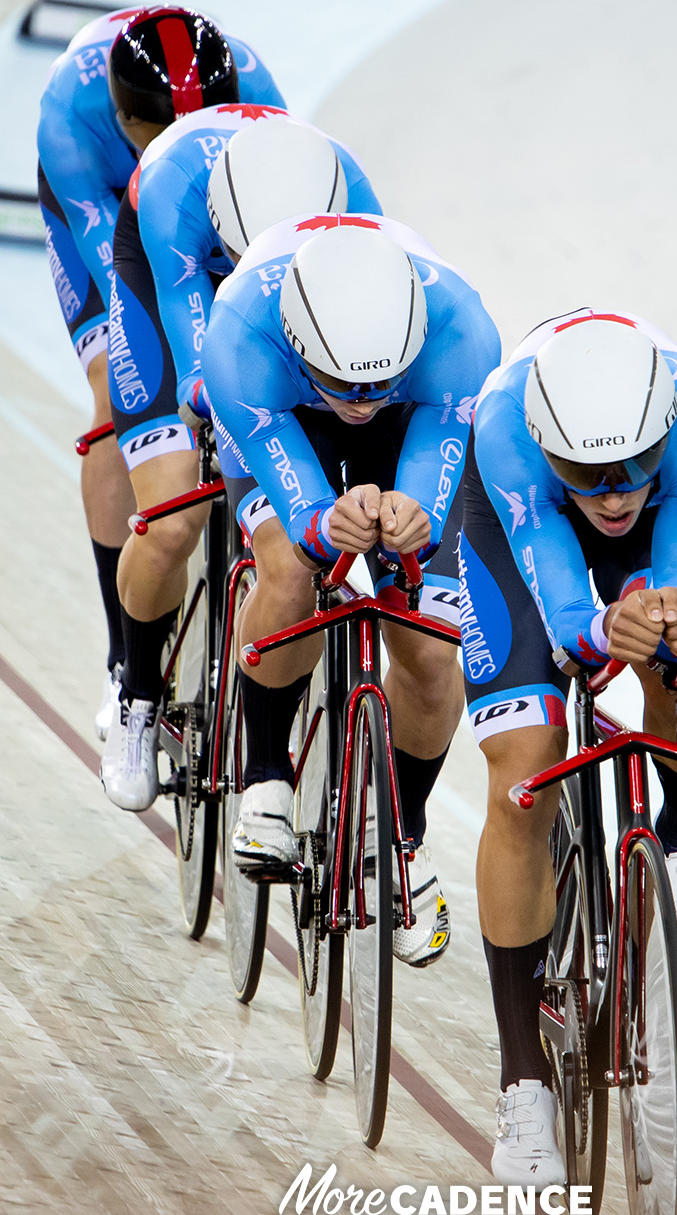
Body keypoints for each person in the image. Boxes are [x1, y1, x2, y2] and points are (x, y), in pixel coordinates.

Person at [455, 310, 677, 1184]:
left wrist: (673, 621)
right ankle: (522, 1082)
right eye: (589, 474)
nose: (613, 494)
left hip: (658, 535)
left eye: (629, 473)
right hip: (519, 533)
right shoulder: (505, 427)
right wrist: (591, 629)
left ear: (663, 436)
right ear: (549, 443)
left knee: (675, 652)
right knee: (523, 774)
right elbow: (559, 597)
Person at [201, 214, 501, 966]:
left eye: (378, 380)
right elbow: (304, 521)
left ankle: (397, 833)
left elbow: (431, 481)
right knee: (290, 565)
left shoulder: (463, 335)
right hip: (283, 414)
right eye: (346, 383)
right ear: (304, 346)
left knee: (432, 658)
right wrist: (319, 523)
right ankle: (265, 777)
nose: (362, 397)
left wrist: (416, 518)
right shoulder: (239, 338)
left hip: (421, 415)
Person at [99, 108, 381, 809]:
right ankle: (135, 688)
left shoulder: (356, 203)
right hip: (180, 286)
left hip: (293, 323)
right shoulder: (174, 195)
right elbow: (205, 370)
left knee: (300, 549)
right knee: (170, 520)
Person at [36, 6, 285, 747]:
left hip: (208, 218)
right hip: (109, 228)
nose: (173, 146)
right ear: (122, 118)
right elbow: (123, 270)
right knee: (122, 383)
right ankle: (126, 662)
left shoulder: (258, 92)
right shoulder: (69, 117)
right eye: (155, 135)